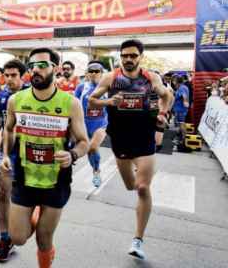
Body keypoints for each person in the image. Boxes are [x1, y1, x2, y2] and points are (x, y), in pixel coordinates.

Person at [0, 47, 89, 268]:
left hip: (55, 180)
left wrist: (72, 154)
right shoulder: (16, 100)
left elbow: (84, 142)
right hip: (25, 176)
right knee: (17, 238)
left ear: (55, 68)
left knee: (43, 239)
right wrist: (5, 154)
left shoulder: (71, 103)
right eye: (32, 67)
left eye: (42, 65)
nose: (35, 71)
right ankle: (33, 213)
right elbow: (9, 129)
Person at [88, 39, 172, 260]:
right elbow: (91, 100)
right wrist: (109, 103)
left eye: (133, 55)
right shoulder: (111, 77)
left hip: (144, 139)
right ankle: (135, 170)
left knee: (143, 188)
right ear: (120, 56)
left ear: (140, 57)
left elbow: (167, 96)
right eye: (125, 55)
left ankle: (138, 239)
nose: (128, 59)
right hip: (121, 139)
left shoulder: (151, 77)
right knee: (130, 186)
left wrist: (162, 114)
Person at [0, 59, 25, 262]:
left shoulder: (31, 94)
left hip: (31, 152)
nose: (10, 79)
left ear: (23, 76)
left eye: (14, 75)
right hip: (8, 151)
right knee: (3, 192)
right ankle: (5, 239)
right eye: (7, 75)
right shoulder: (3, 95)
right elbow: (2, 120)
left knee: (24, 197)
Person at [74, 60, 109, 187]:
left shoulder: (108, 87)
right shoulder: (81, 87)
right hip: (84, 124)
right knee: (90, 151)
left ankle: (95, 170)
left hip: (101, 124)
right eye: (91, 71)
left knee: (93, 146)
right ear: (87, 73)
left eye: (97, 71)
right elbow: (74, 104)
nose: (94, 73)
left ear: (101, 73)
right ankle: (96, 170)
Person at [171, 75, 190, 147]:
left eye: (174, 80)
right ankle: (180, 138)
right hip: (179, 108)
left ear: (177, 81)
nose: (173, 82)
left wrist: (185, 102)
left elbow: (184, 96)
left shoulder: (182, 88)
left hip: (181, 109)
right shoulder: (181, 87)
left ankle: (184, 140)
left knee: (182, 124)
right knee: (180, 124)